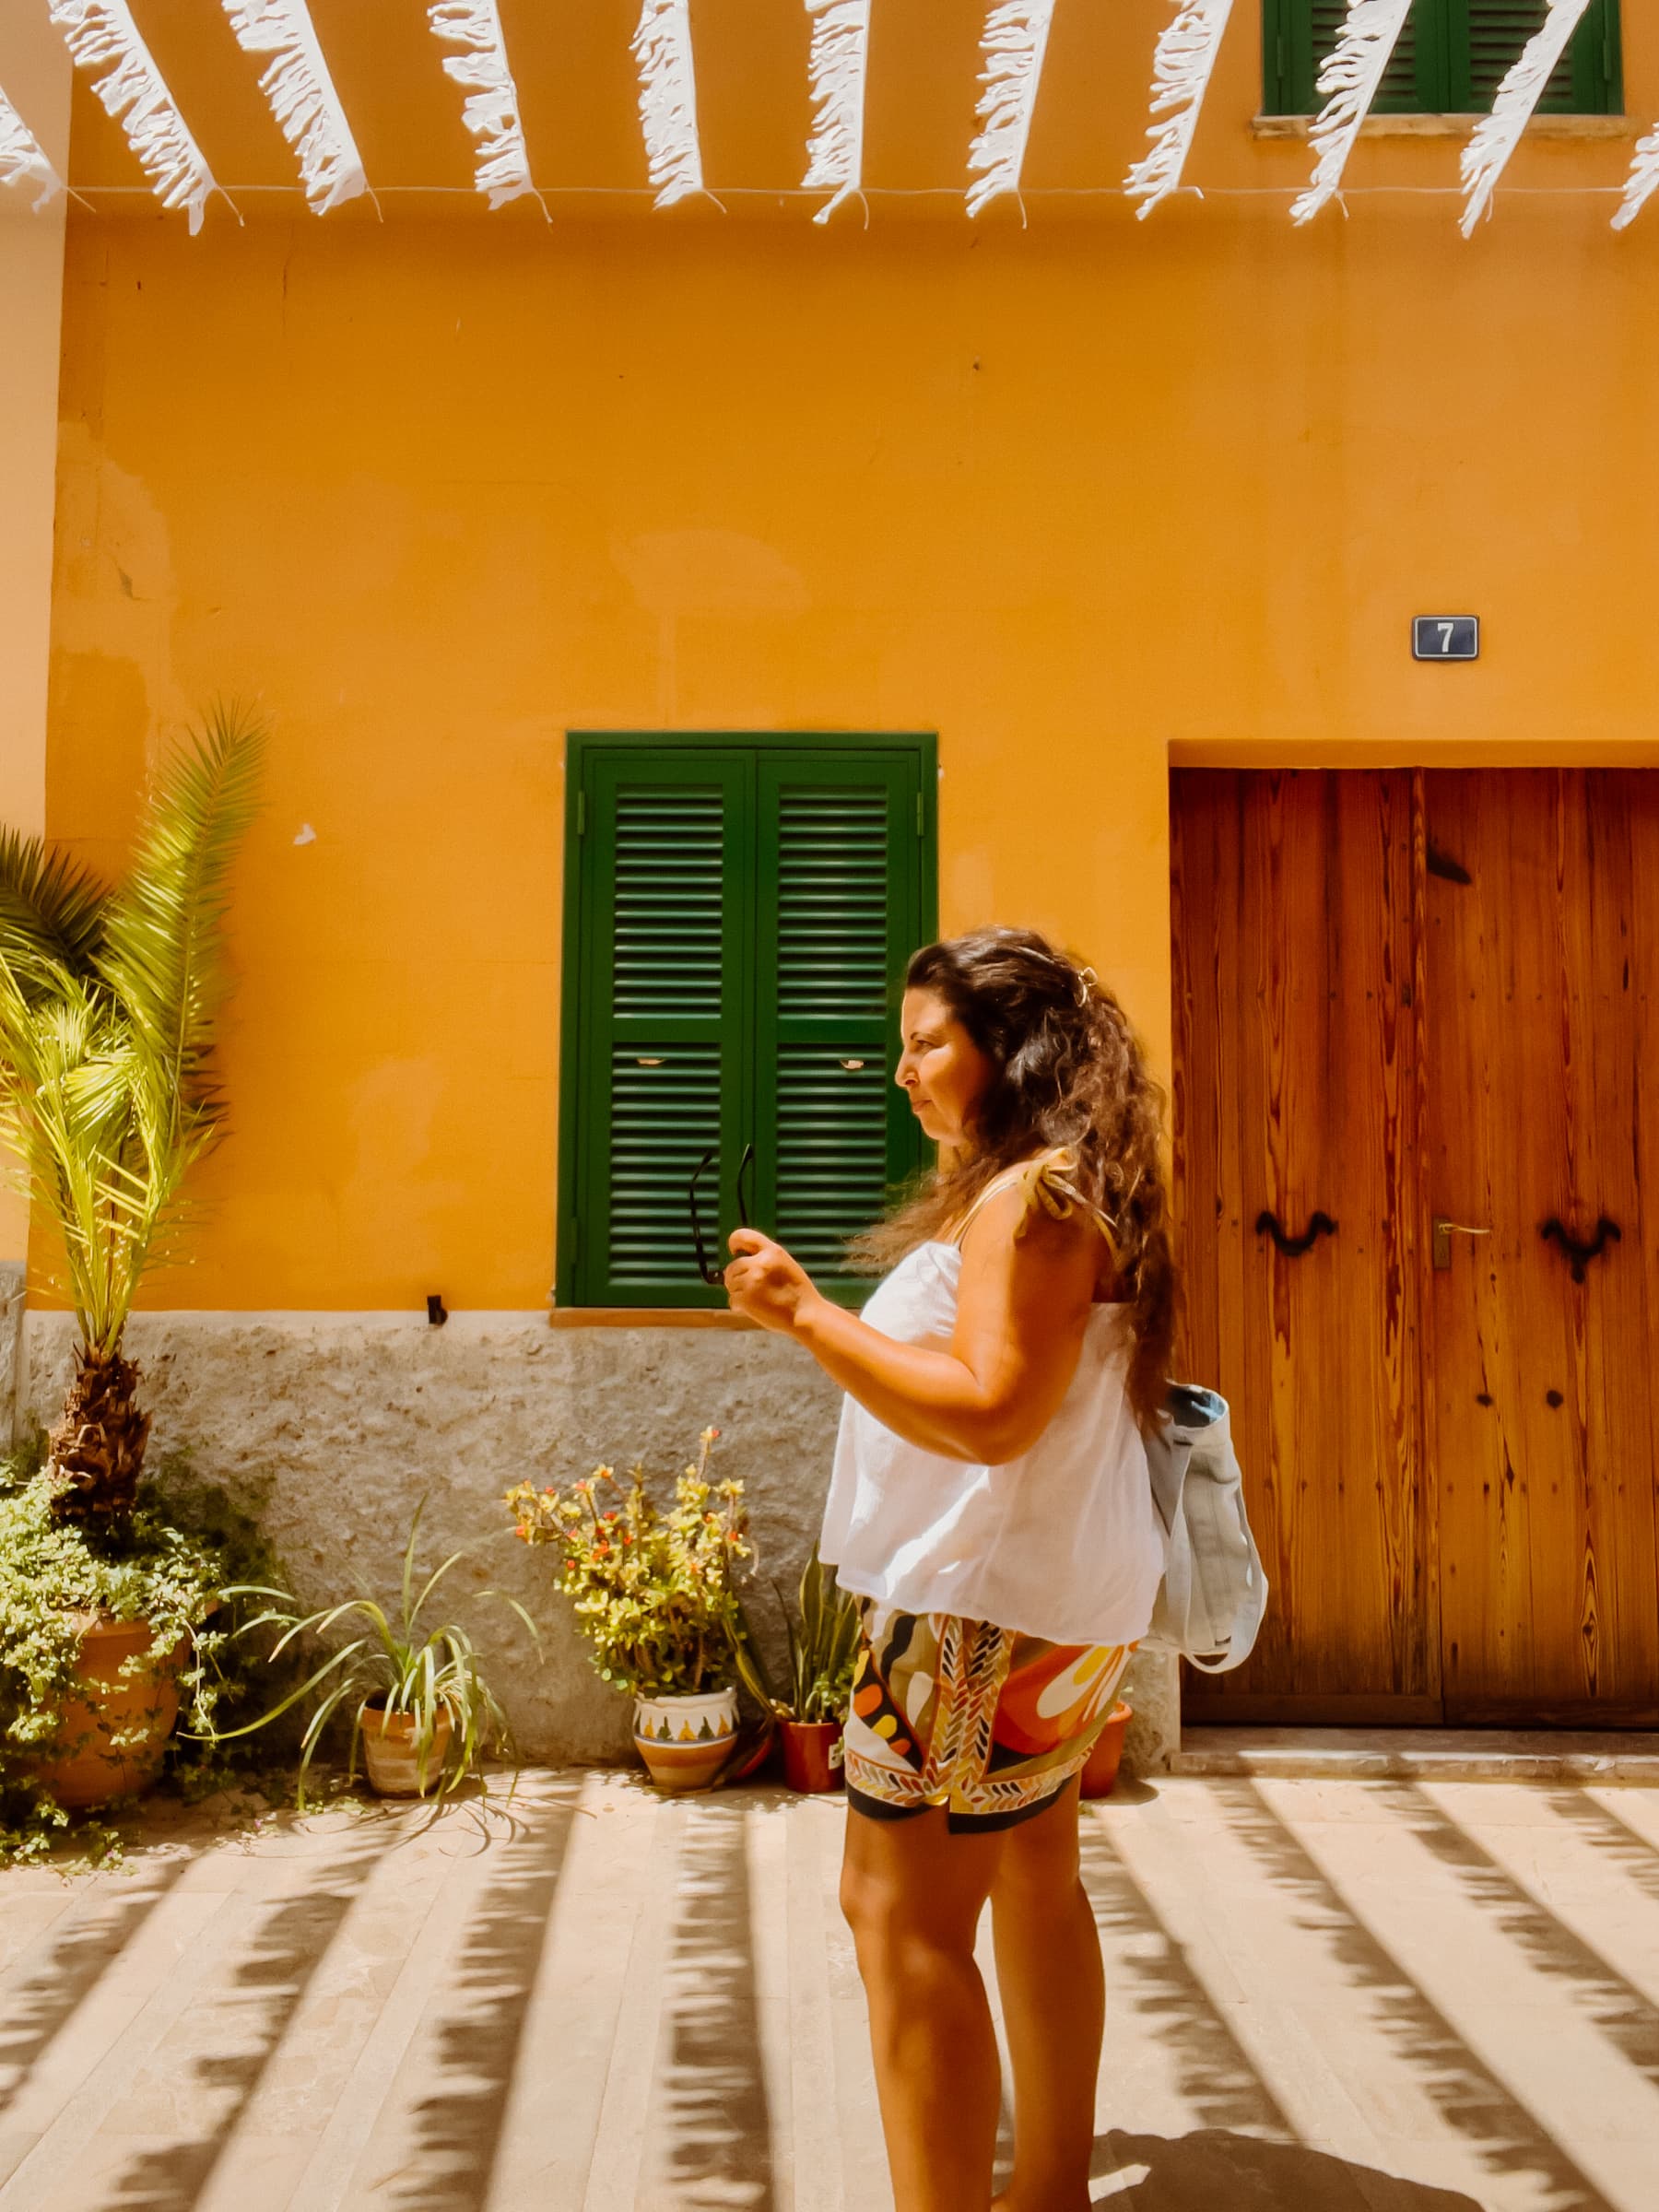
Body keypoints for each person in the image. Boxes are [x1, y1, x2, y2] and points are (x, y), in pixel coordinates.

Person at [724, 924, 1177, 2212]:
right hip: (1051, 1600)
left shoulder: (1032, 1198)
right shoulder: (1074, 1186)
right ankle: (1047, 2195)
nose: (902, 1071)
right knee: (1036, 1878)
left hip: (976, 1610)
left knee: (897, 1918)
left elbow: (991, 1414)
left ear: (1006, 1049)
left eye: (927, 1044)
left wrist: (808, 1317)